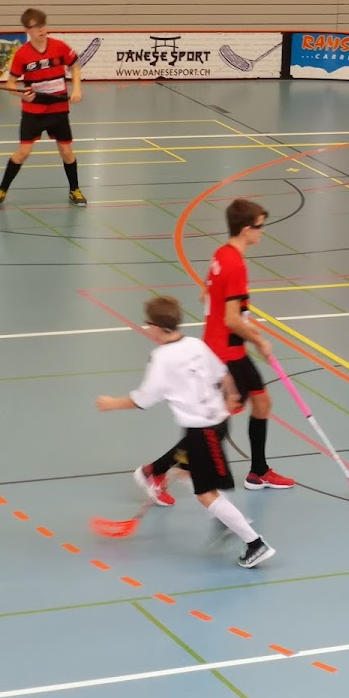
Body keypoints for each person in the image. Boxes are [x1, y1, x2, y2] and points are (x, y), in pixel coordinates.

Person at [96, 296, 275, 568]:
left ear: (155, 327)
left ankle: (255, 543)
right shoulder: (195, 344)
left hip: (203, 431)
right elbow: (223, 373)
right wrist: (231, 396)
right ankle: (220, 518)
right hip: (218, 423)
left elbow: (143, 399)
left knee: (206, 494)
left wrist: (112, 403)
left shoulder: (161, 358)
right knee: (186, 471)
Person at [135, 199, 295, 505]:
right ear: (246, 229)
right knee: (212, 426)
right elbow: (231, 319)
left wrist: (246, 325)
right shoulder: (235, 264)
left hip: (225, 347)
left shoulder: (222, 254)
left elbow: (207, 294)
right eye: (260, 226)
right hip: (226, 354)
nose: (263, 231)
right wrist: (259, 340)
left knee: (262, 403)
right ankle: (154, 471)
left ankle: (259, 471)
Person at [0, 8, 86, 209]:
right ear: (27, 30)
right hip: (33, 112)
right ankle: (1, 190)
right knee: (23, 152)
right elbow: (11, 84)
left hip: (58, 109)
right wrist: (21, 94)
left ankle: (74, 189)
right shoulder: (22, 54)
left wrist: (77, 89)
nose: (41, 30)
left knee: (66, 151)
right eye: (36, 27)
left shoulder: (59, 47)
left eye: (43, 25)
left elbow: (75, 65)